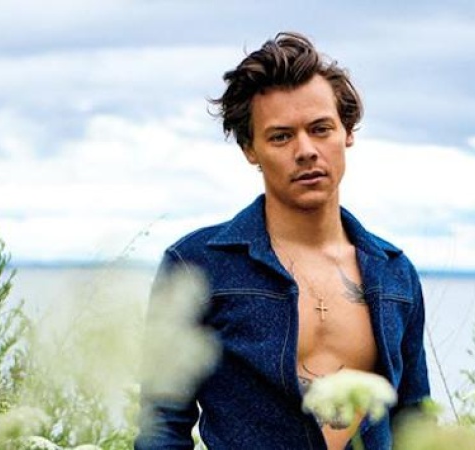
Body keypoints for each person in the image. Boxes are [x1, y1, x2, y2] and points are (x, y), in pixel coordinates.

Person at [135, 31, 430, 450]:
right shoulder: (197, 266)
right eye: (281, 136)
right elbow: (163, 425)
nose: (306, 150)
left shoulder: (395, 272)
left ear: (347, 132)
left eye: (321, 129)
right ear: (249, 149)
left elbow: (415, 423)